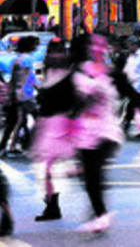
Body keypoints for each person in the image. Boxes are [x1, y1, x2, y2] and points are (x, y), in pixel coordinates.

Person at [71, 33, 123, 233]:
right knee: (89, 175)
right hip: (84, 130)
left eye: (102, 45)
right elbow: (74, 102)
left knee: (94, 171)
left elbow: (129, 92)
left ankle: (101, 214)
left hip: (107, 130)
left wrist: (139, 114)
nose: (98, 48)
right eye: (94, 44)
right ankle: (98, 211)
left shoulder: (112, 73)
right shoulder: (80, 71)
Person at [30, 39, 73, 222]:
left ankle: (52, 204)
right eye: (52, 52)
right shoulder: (51, 74)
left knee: (49, 168)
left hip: (61, 125)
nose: (55, 56)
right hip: (50, 125)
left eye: (58, 52)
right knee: (46, 169)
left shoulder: (68, 77)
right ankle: (51, 203)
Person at [4, 35, 39, 155]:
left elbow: (14, 80)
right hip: (26, 95)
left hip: (19, 94)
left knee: (20, 120)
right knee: (36, 118)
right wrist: (39, 88)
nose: (37, 47)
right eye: (35, 44)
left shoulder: (17, 59)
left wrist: (12, 93)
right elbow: (30, 77)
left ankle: (14, 145)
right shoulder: (27, 60)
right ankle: (32, 144)